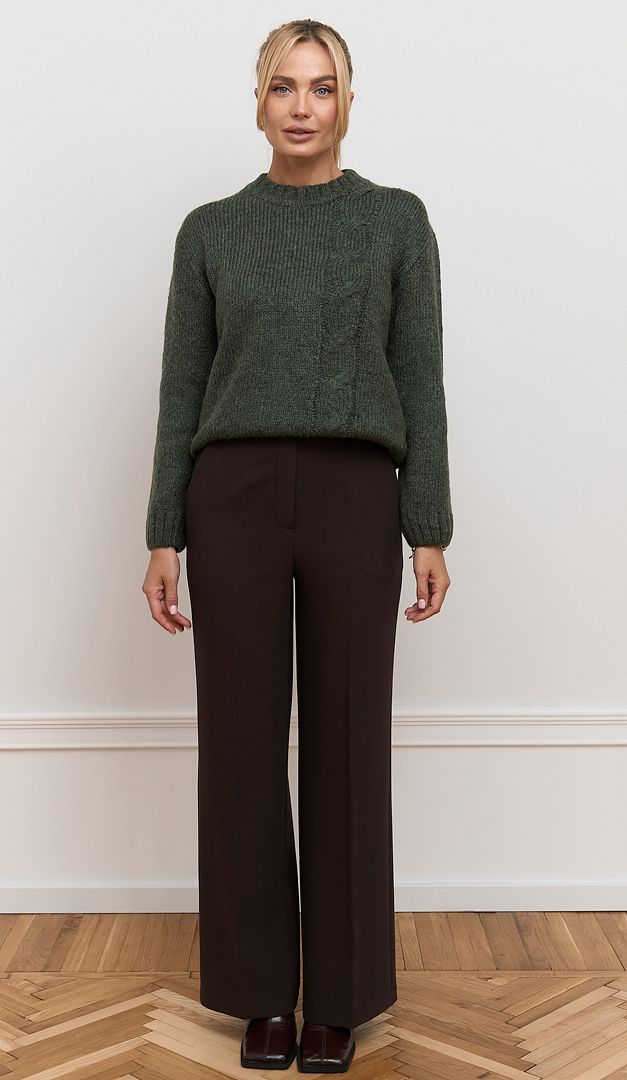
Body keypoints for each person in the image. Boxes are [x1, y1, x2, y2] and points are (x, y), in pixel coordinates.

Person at [141, 18, 453, 1074]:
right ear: (258, 102)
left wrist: (428, 524)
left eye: (323, 87)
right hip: (228, 494)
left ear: (350, 101)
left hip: (356, 491)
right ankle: (259, 996)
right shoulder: (211, 232)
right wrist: (163, 531)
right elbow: (182, 388)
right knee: (237, 743)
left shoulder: (396, 221)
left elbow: (420, 377)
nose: (303, 106)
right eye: (284, 86)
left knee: (348, 740)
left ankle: (343, 999)